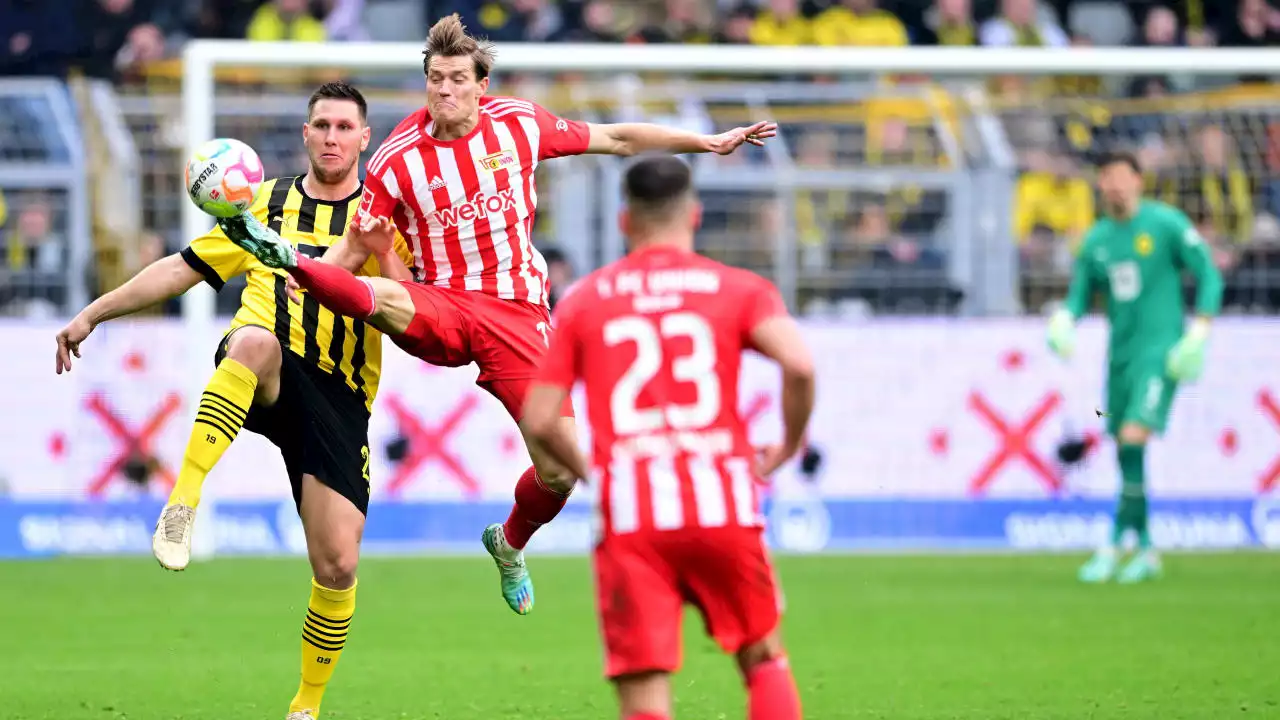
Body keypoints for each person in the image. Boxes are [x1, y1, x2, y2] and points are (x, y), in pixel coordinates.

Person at [214, 13, 778, 616]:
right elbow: (354, 249)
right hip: (441, 303)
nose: (445, 91)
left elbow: (616, 139)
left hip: (517, 312)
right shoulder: (397, 158)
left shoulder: (520, 124)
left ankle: (508, 543)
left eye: (458, 79)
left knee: (560, 470)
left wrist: (709, 142)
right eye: (436, 79)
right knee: (381, 292)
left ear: (482, 84)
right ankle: (290, 262)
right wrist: (309, 274)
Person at [54, 81, 411, 720]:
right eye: (321, 125)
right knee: (251, 341)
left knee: (337, 566)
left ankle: (305, 706)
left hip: (341, 392)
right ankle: (183, 500)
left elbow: (413, 313)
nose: (331, 137)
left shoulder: (383, 222)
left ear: (364, 138)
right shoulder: (260, 205)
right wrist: (95, 313)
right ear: (305, 134)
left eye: (343, 127)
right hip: (269, 363)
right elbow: (181, 267)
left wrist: (383, 258)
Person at [521, 155, 814, 720]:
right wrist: (787, 446)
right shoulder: (738, 289)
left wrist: (596, 474)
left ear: (625, 220)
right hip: (721, 502)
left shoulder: (586, 299)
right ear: (694, 215)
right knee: (763, 657)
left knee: (645, 684)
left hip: (633, 513)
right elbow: (800, 366)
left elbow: (539, 418)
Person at [1047, 150, 1223, 584]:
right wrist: (1065, 320)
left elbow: (1210, 274)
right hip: (1120, 358)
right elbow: (1079, 294)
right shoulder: (1097, 240)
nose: (1114, 185)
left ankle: (1112, 543)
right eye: (1107, 177)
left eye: (1122, 176)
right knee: (1127, 451)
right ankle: (1145, 549)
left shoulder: (1166, 224)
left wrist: (1199, 330)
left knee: (1131, 437)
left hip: (1160, 353)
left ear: (1139, 181)